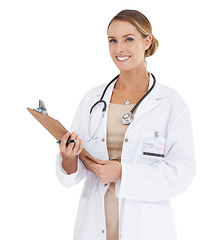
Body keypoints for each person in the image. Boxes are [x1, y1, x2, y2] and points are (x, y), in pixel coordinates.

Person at [56, 9, 196, 240]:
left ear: (146, 41)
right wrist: (69, 157)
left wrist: (123, 173)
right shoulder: (93, 99)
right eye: (113, 40)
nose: (119, 48)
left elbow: (181, 174)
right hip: (94, 223)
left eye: (128, 39)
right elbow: (74, 173)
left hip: (146, 227)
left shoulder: (171, 103)